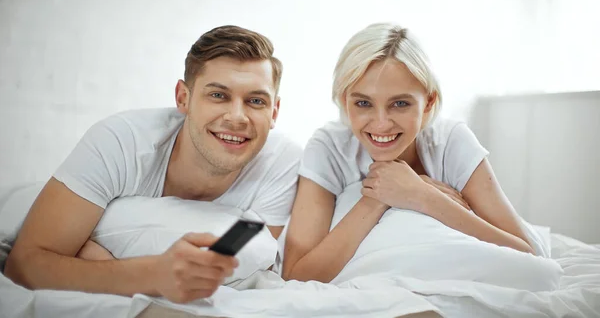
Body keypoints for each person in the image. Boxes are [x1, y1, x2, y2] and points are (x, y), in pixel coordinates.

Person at [5, 25, 302, 303]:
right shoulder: (121, 141)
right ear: (183, 98)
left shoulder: (282, 163)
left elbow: (247, 266)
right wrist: (151, 276)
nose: (237, 117)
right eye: (218, 95)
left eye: (256, 101)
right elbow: (23, 266)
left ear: (275, 111)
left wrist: (99, 259)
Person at [282, 23, 534, 283]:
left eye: (400, 103)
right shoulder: (328, 148)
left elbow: (527, 255)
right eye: (363, 103)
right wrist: (378, 197)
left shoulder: (450, 142)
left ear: (429, 102)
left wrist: (423, 195)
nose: (381, 123)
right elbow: (296, 275)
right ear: (345, 100)